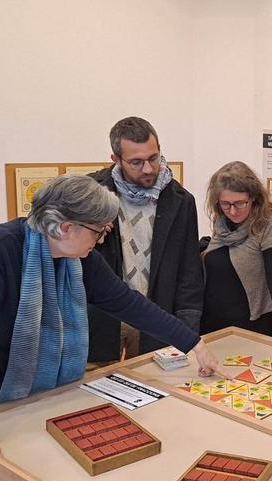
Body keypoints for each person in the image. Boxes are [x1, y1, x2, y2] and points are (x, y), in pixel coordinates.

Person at [0, 175, 222, 477]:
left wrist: (191, 341)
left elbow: (128, 303)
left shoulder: (80, 259)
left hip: (48, 396)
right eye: (98, 232)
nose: (101, 240)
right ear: (65, 227)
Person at [86, 116, 204, 365]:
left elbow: (189, 271)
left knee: (152, 392)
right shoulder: (91, 194)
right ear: (116, 160)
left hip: (155, 317)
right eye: (136, 162)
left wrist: (188, 328)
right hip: (101, 319)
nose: (148, 169)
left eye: (153, 158)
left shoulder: (181, 201)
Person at [200, 161, 272, 355]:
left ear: (253, 198)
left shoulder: (269, 226)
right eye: (226, 204)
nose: (232, 211)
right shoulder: (221, 222)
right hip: (211, 322)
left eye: (240, 203)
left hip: (250, 324)